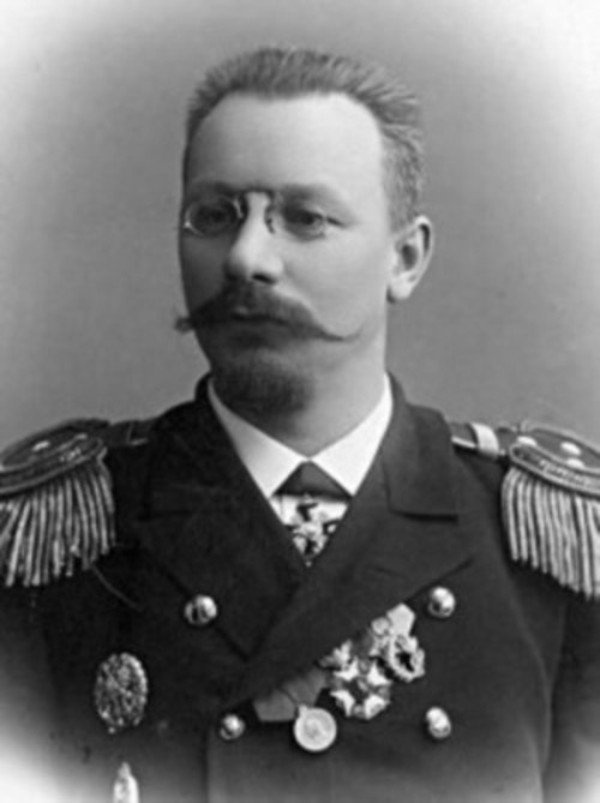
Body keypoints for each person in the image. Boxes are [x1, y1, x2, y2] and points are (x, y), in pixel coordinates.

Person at [1, 45, 600, 803]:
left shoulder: (553, 548)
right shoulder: (50, 544)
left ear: (406, 259)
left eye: (305, 218)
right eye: (214, 216)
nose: (246, 258)